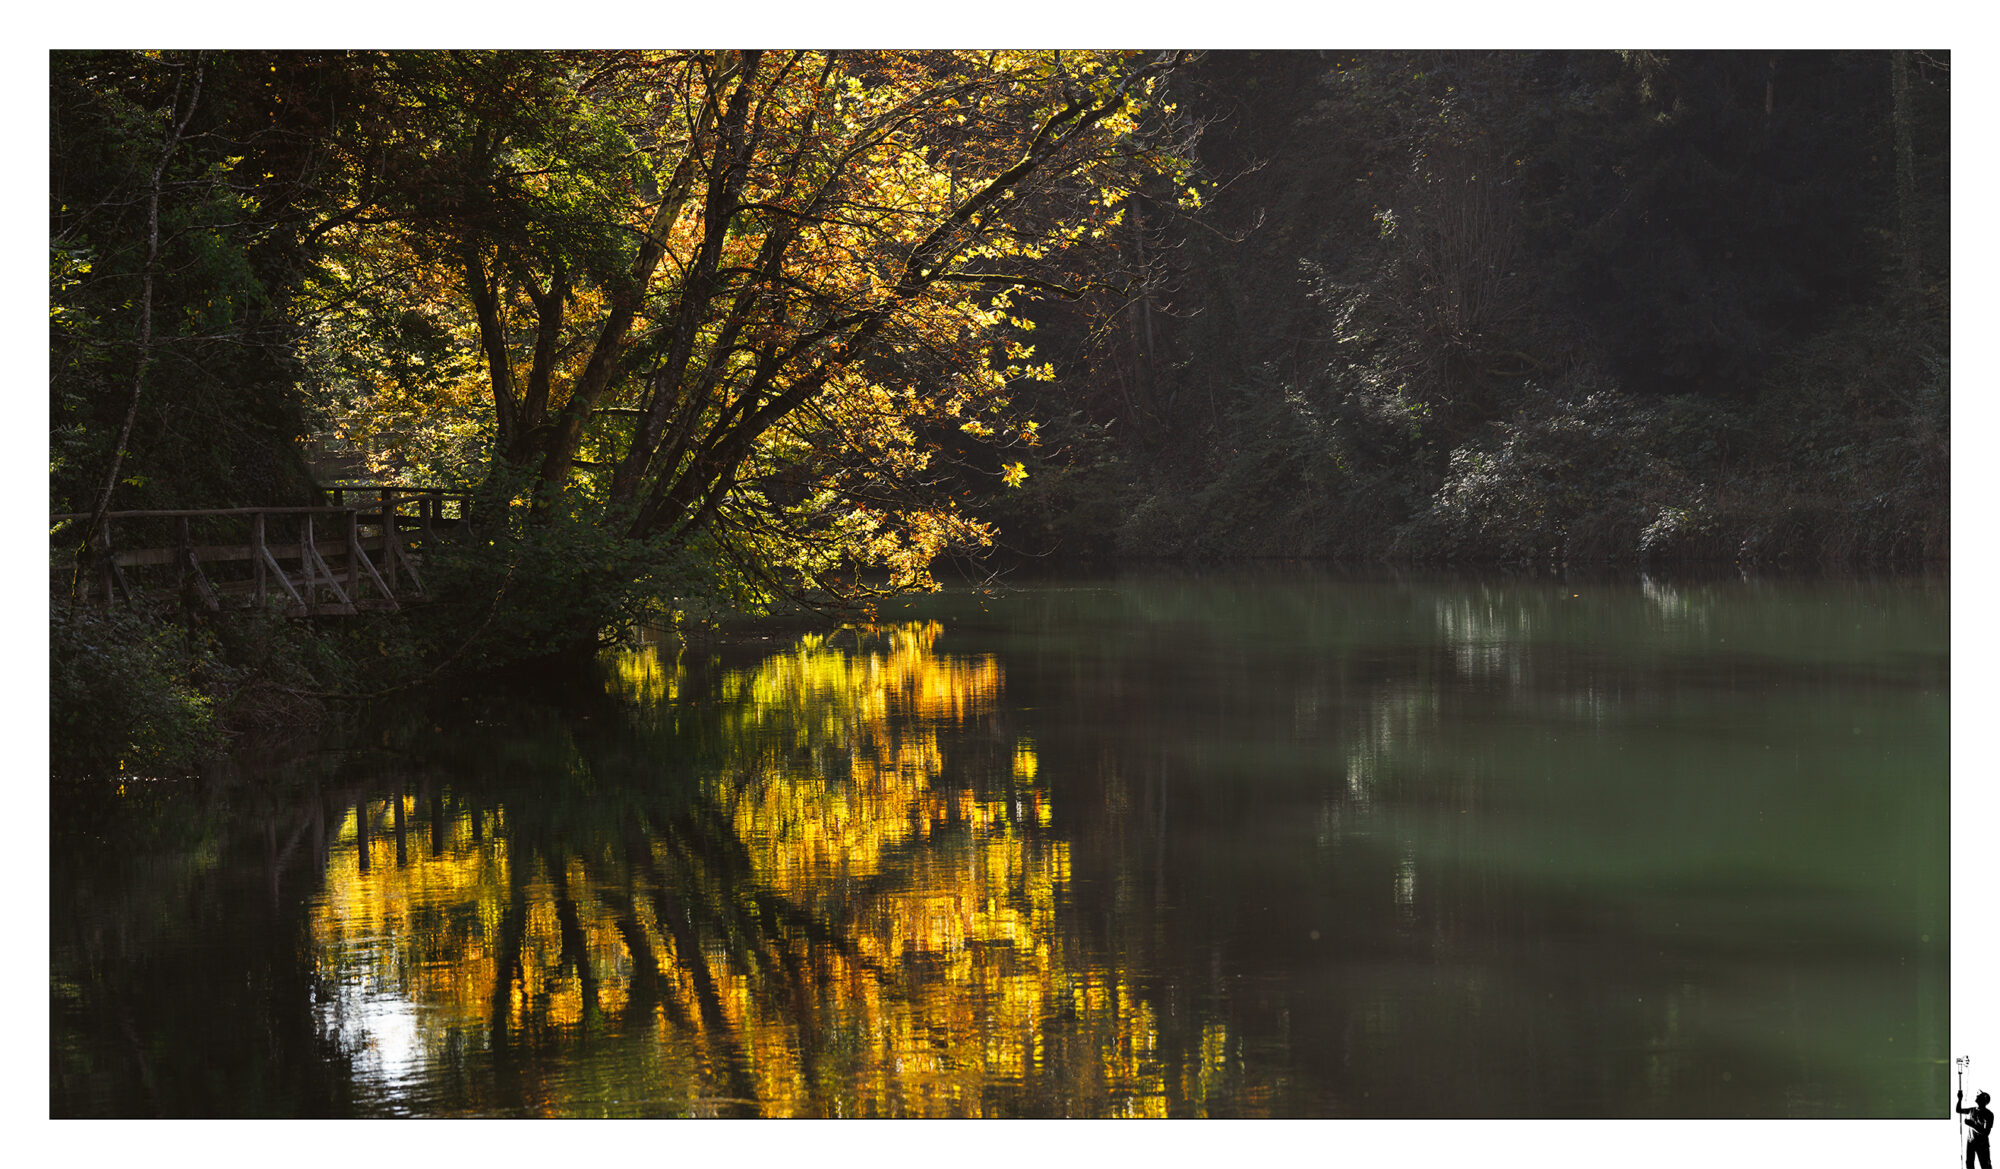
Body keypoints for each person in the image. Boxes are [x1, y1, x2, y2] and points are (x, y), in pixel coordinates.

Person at [1959, 1089, 1994, 1169]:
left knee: (1985, 1166)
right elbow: (1958, 1110)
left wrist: (1972, 1125)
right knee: (1969, 1164)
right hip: (1971, 1142)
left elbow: (1986, 1133)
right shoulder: (1972, 1110)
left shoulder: (1989, 1114)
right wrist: (1960, 1099)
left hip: (1982, 1144)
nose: (1977, 1095)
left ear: (1983, 1100)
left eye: (1979, 1096)